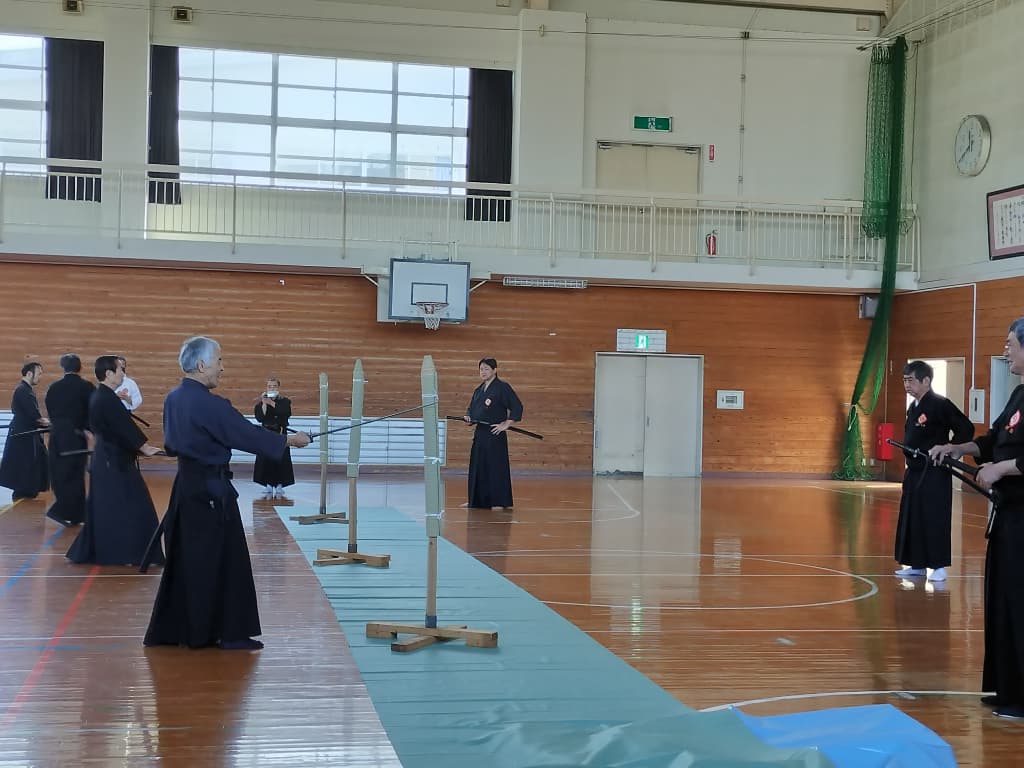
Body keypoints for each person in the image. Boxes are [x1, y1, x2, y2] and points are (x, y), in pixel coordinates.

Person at [144, 336, 310, 651]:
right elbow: (245, 434)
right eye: (219, 360)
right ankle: (227, 632)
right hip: (211, 491)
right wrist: (290, 440)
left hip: (186, 488)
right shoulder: (209, 404)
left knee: (189, 561)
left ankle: (181, 629)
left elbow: (174, 442)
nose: (222, 367)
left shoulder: (173, 398)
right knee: (222, 561)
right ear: (201, 364)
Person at [931, 318, 1024, 720]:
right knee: (1002, 600)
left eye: (1010, 344)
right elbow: (992, 440)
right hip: (1007, 517)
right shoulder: (1019, 394)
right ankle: (1006, 687)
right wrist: (958, 449)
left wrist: (1003, 469)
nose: (1006, 350)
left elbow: (1009, 458)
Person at [66, 356, 164, 565]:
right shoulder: (106, 398)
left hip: (108, 457)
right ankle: (129, 553)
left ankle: (116, 551)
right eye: (120, 370)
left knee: (108, 506)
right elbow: (123, 427)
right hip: (113, 461)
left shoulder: (102, 395)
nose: (123, 374)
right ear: (109, 373)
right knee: (130, 506)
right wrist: (144, 447)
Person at [893, 360, 974, 582]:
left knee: (934, 517)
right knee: (913, 517)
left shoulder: (941, 404)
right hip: (915, 471)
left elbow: (966, 428)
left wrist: (951, 450)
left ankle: (938, 567)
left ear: (926, 380)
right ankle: (917, 564)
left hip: (935, 471)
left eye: (911, 380)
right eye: (904, 380)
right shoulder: (913, 407)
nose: (907, 385)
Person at [464, 357, 522, 510]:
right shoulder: (479, 390)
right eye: (481, 369)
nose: (483, 372)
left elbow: (517, 406)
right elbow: (471, 409)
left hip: (495, 434)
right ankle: (475, 500)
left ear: (495, 370)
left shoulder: (502, 387)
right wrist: (469, 417)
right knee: (477, 467)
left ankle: (499, 501)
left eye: (486, 369)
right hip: (480, 433)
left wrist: (506, 424)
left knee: (495, 467)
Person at [43, 353, 95, 526]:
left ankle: (77, 514)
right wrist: (88, 430)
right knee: (75, 474)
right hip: (76, 435)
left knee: (60, 474)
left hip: (57, 435)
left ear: (63, 367)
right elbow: (92, 410)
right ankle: (61, 511)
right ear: (80, 367)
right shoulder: (86, 387)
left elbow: (50, 410)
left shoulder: (53, 388)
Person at [0, 361, 50, 501]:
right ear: (29, 373)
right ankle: (25, 491)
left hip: (24, 431)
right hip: (23, 433)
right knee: (24, 463)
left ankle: (26, 489)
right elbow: (34, 416)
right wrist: (49, 423)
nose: (40, 377)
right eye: (39, 374)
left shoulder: (24, 389)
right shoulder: (23, 390)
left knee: (26, 462)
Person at [252, 377, 295, 497]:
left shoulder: (285, 401)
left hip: (280, 432)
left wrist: (272, 403)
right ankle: (268, 484)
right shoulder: (261, 403)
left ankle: (280, 484)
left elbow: (285, 413)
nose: (272, 388)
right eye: (269, 386)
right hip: (266, 433)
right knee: (266, 459)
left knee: (281, 458)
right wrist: (264, 403)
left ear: (278, 387)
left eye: (274, 386)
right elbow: (260, 417)